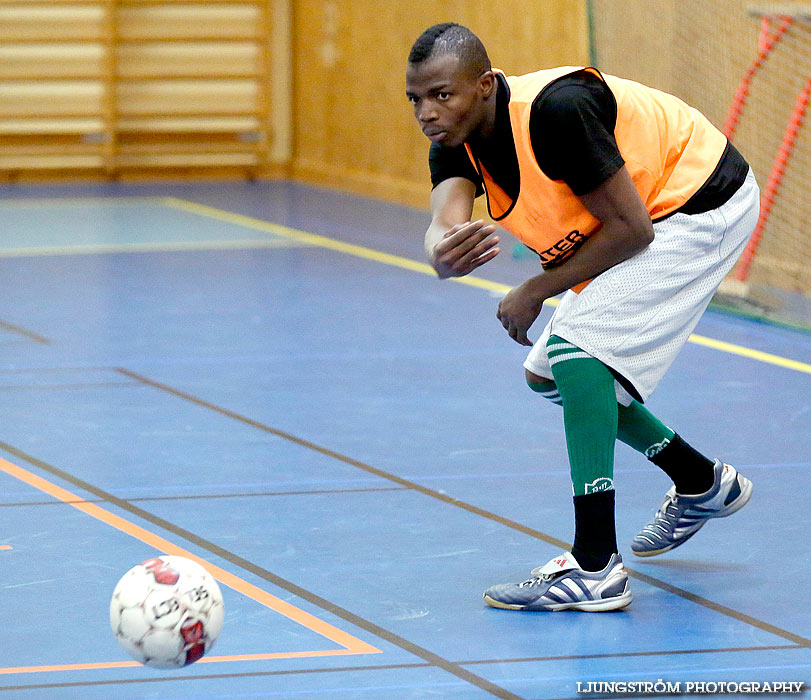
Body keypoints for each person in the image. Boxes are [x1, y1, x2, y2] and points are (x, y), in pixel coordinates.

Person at [405, 23, 758, 612]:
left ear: (485, 85)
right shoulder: (454, 139)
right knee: (549, 375)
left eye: (442, 94)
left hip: (698, 200)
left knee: (578, 353)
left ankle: (596, 565)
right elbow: (445, 216)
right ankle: (701, 481)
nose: (427, 111)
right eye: (416, 98)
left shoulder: (557, 112)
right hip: (640, 220)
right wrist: (439, 249)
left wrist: (535, 289)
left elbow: (633, 229)